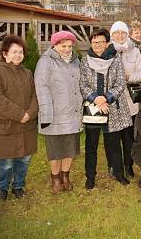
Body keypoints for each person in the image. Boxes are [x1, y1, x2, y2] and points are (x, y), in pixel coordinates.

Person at [0, 35, 38, 201]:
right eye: (14, 52)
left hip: (26, 125)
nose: (18, 55)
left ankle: (18, 187)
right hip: (6, 125)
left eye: (21, 52)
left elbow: (34, 97)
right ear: (5, 54)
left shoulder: (27, 73)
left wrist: (30, 114)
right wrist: (19, 114)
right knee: (6, 162)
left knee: (24, 160)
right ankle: (2, 189)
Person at [80, 28, 132, 189]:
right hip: (94, 108)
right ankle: (90, 176)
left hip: (113, 107)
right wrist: (96, 99)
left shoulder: (115, 59)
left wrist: (106, 98)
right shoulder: (85, 60)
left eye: (101, 41)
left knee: (113, 143)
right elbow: (83, 84)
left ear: (107, 43)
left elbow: (120, 83)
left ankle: (118, 173)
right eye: (94, 42)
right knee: (91, 145)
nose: (97, 45)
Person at [35, 31, 82, 194]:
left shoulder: (76, 61)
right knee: (55, 150)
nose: (67, 49)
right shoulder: (46, 61)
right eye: (63, 46)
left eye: (70, 46)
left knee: (70, 149)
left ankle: (65, 176)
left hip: (72, 114)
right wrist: (46, 113)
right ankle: (55, 178)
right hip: (54, 114)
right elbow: (41, 87)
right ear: (55, 45)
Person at [110, 21, 141, 179]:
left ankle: (128, 165)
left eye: (123, 33)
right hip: (112, 101)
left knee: (128, 136)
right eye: (116, 33)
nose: (120, 35)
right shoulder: (107, 50)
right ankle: (114, 167)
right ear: (112, 35)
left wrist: (128, 77)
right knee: (113, 137)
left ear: (127, 34)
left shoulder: (135, 51)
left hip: (130, 101)